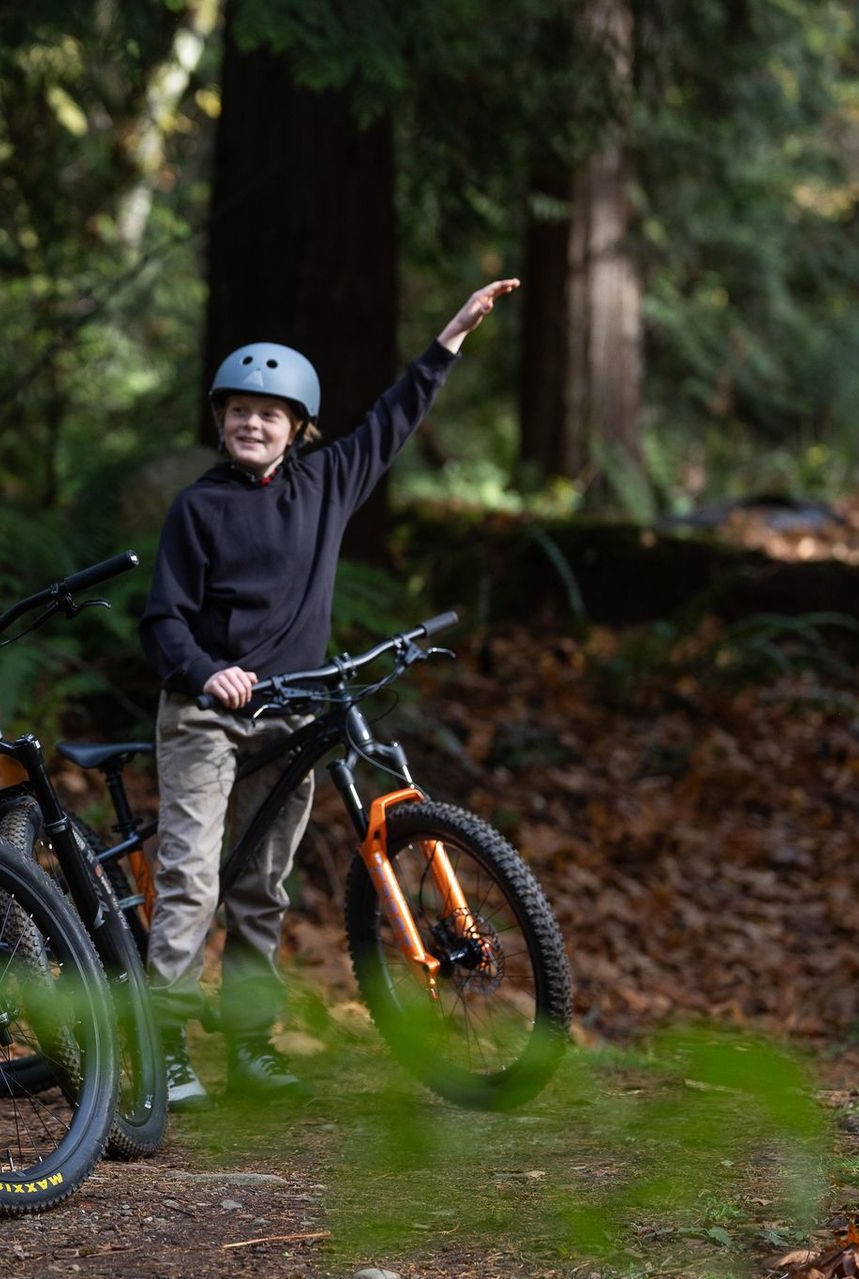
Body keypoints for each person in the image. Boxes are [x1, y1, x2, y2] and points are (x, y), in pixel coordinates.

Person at [138, 279, 521, 1110]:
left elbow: (394, 417)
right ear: (219, 419)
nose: (252, 423)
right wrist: (207, 671)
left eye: (270, 414)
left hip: (292, 714)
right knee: (191, 880)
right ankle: (160, 1046)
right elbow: (163, 620)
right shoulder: (196, 508)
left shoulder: (328, 483)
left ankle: (250, 1048)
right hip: (206, 715)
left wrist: (452, 334)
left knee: (260, 891)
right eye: (238, 410)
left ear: (298, 429)